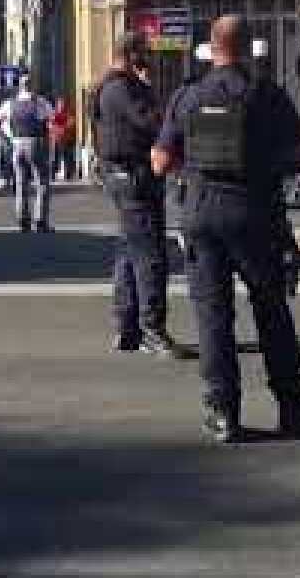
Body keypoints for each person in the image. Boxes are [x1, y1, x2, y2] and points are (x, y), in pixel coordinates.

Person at [152, 15, 300, 443]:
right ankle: (292, 407)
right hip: (254, 212)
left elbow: (159, 161)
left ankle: (223, 413)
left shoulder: (187, 96)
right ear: (249, 47)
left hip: (200, 214)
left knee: (212, 315)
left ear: (210, 48)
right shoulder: (265, 95)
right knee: (271, 310)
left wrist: (191, 173)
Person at [92, 34, 193, 359]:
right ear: (132, 54)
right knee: (151, 254)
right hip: (133, 177)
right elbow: (152, 122)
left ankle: (128, 326)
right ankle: (153, 329)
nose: (149, 59)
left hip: (121, 175)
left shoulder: (109, 85)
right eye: (145, 54)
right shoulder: (122, 88)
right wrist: (150, 92)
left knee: (130, 250)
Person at [0, 74, 56, 232]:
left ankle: (22, 221)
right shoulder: (41, 103)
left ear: (20, 86)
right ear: (33, 86)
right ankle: (40, 221)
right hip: (36, 143)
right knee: (42, 183)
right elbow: (51, 122)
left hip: (17, 144)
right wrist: (51, 145)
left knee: (21, 184)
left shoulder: (10, 104)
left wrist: (4, 139)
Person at [50, 96, 79, 181]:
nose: (61, 106)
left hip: (67, 139)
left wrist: (62, 129)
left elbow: (71, 123)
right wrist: (59, 130)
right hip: (57, 139)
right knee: (55, 158)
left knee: (68, 157)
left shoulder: (69, 113)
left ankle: (68, 174)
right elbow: (50, 124)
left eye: (62, 104)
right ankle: (53, 174)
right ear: (57, 105)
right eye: (59, 104)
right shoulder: (54, 113)